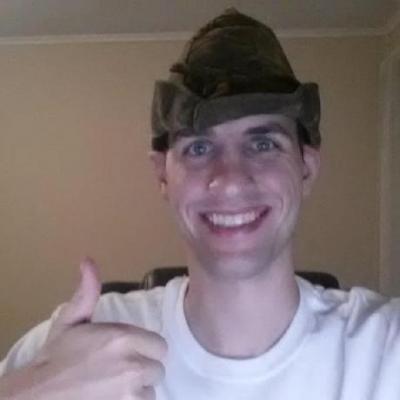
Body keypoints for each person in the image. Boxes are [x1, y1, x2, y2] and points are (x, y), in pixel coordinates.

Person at [0, 8, 399, 400]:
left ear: (306, 168)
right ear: (163, 175)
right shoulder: (73, 349)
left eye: (263, 144)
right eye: (199, 147)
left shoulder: (384, 350)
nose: (230, 180)